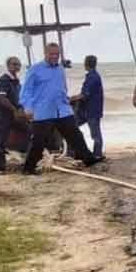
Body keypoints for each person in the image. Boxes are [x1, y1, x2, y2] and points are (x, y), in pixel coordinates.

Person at [21, 43, 100, 175]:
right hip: (43, 111)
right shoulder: (34, 70)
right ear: (45, 54)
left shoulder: (60, 70)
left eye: (57, 54)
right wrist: (28, 108)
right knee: (38, 141)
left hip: (61, 110)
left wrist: (66, 102)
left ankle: (88, 159)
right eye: (51, 54)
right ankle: (28, 169)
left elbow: (62, 88)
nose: (54, 56)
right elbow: (26, 91)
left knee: (75, 135)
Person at [0, 56, 26, 173]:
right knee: (0, 140)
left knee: (29, 131)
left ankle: (26, 160)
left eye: (18, 64)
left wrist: (21, 109)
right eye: (14, 64)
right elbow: (1, 98)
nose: (17, 66)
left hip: (14, 115)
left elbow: (18, 99)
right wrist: (14, 110)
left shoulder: (16, 80)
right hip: (2, 115)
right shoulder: (4, 79)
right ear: (8, 66)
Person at [70, 55, 104, 160]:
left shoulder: (93, 77)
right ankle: (77, 151)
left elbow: (85, 94)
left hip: (91, 110)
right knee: (73, 128)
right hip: (87, 110)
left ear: (86, 64)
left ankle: (97, 154)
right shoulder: (92, 76)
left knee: (95, 134)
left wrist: (72, 98)